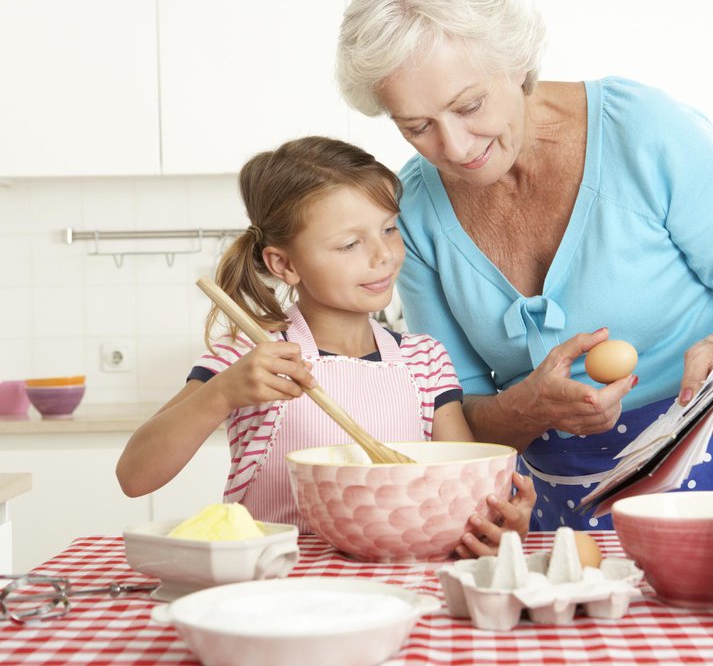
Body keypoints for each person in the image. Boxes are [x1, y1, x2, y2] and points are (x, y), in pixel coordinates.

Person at [336, 0, 713, 531]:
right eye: (416, 127)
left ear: (516, 61)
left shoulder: (642, 131)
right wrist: (529, 406)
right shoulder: (415, 212)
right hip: (558, 509)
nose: (453, 146)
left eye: (469, 106)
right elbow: (456, 417)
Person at [115, 136, 535, 558]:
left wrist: (500, 523)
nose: (383, 255)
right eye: (350, 244)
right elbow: (135, 476)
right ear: (285, 264)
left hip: (398, 578)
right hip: (274, 583)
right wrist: (222, 392)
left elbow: (461, 488)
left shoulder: (423, 361)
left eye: (389, 228)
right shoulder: (251, 359)